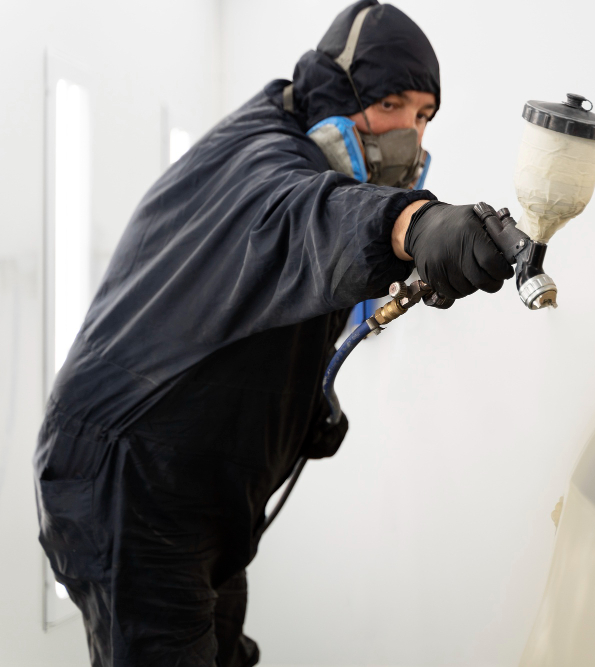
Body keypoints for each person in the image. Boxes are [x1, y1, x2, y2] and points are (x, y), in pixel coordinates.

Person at [33, 2, 513, 665]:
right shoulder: (262, 159)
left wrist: (305, 405)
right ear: (334, 92)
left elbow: (271, 292)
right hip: (129, 478)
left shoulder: (306, 161)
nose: (410, 132)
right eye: (391, 104)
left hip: (192, 481)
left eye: (425, 115)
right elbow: (305, 217)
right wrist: (414, 222)